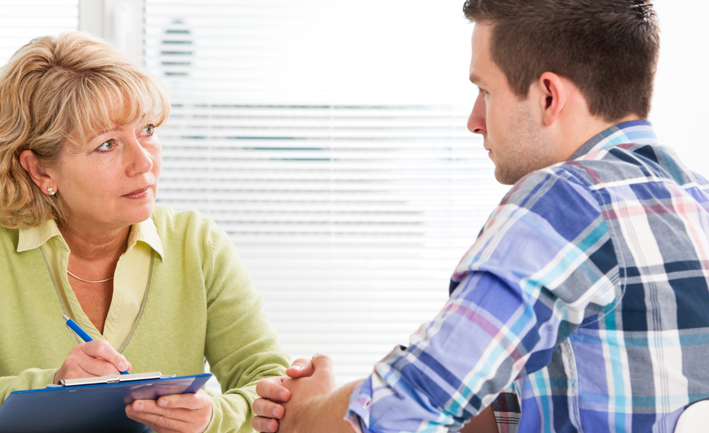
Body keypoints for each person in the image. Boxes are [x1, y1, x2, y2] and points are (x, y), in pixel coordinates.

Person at [251, 0, 709, 432]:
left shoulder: (566, 201)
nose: (474, 120)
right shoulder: (698, 198)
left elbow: (404, 409)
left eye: (485, 91)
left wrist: (306, 415)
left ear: (548, 96)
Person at [0, 31, 288, 433]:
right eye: (107, 144)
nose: (143, 163)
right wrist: (51, 388)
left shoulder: (198, 245)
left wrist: (213, 416)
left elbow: (271, 385)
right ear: (40, 170)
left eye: (148, 130)